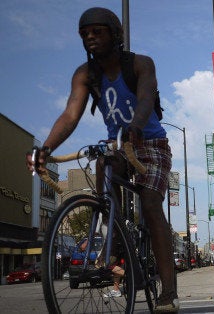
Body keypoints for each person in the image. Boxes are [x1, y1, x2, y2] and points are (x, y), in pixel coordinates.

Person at [26, 7, 178, 312]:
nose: (90, 38)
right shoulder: (86, 74)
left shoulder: (140, 64)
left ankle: (168, 292)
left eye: (98, 32)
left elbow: (147, 97)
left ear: (116, 34)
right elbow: (70, 115)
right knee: (103, 163)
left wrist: (135, 125)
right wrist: (45, 148)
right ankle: (116, 235)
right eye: (85, 34)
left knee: (150, 203)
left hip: (151, 143)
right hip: (118, 145)